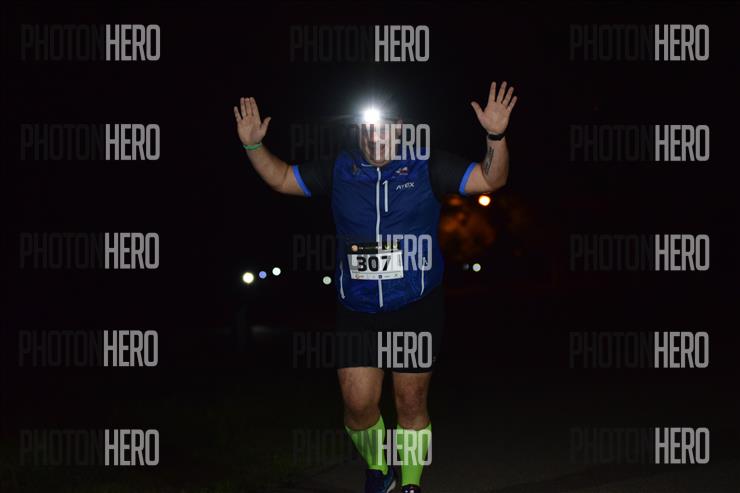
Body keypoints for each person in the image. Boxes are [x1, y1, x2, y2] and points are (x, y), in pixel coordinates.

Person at [233, 81, 517, 493]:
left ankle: (411, 485)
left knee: (410, 403)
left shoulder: (427, 165)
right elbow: (281, 179)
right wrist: (253, 145)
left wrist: (495, 135)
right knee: (358, 405)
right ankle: (379, 471)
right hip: (357, 307)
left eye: (385, 126)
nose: (376, 135)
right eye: (369, 127)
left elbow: (492, 179)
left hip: (415, 304)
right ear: (359, 129)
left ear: (401, 128)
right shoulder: (340, 168)